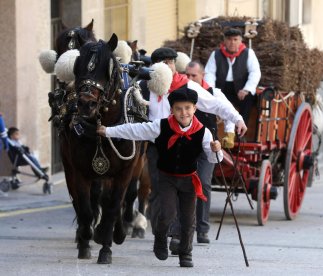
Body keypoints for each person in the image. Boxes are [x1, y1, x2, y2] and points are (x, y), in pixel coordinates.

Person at [97, 87, 223, 268]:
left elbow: (214, 159)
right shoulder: (160, 126)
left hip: (189, 180)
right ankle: (161, 238)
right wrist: (108, 131)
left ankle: (185, 253)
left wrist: (216, 150)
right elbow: (135, 130)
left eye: (188, 108)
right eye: (178, 108)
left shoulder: (204, 132)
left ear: (195, 109)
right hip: (167, 179)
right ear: (172, 110)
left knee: (188, 219)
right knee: (167, 214)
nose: (183, 113)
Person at [137, 47, 246, 251]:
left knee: (184, 190)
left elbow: (215, 105)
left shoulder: (186, 86)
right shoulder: (143, 87)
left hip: (185, 146)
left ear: (174, 65)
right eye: (161, 62)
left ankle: (178, 236)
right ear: (153, 66)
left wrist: (236, 119)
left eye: (170, 62)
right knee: (159, 192)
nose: (166, 66)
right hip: (157, 148)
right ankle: (161, 233)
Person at [204, 28, 261, 123]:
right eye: (229, 39)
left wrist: (246, 89)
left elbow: (255, 72)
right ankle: (215, 132)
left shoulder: (248, 53)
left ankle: (242, 130)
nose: (232, 42)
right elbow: (209, 74)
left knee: (248, 99)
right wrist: (212, 92)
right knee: (211, 102)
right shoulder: (216, 54)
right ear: (224, 41)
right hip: (222, 89)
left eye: (235, 40)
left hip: (241, 90)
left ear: (240, 41)